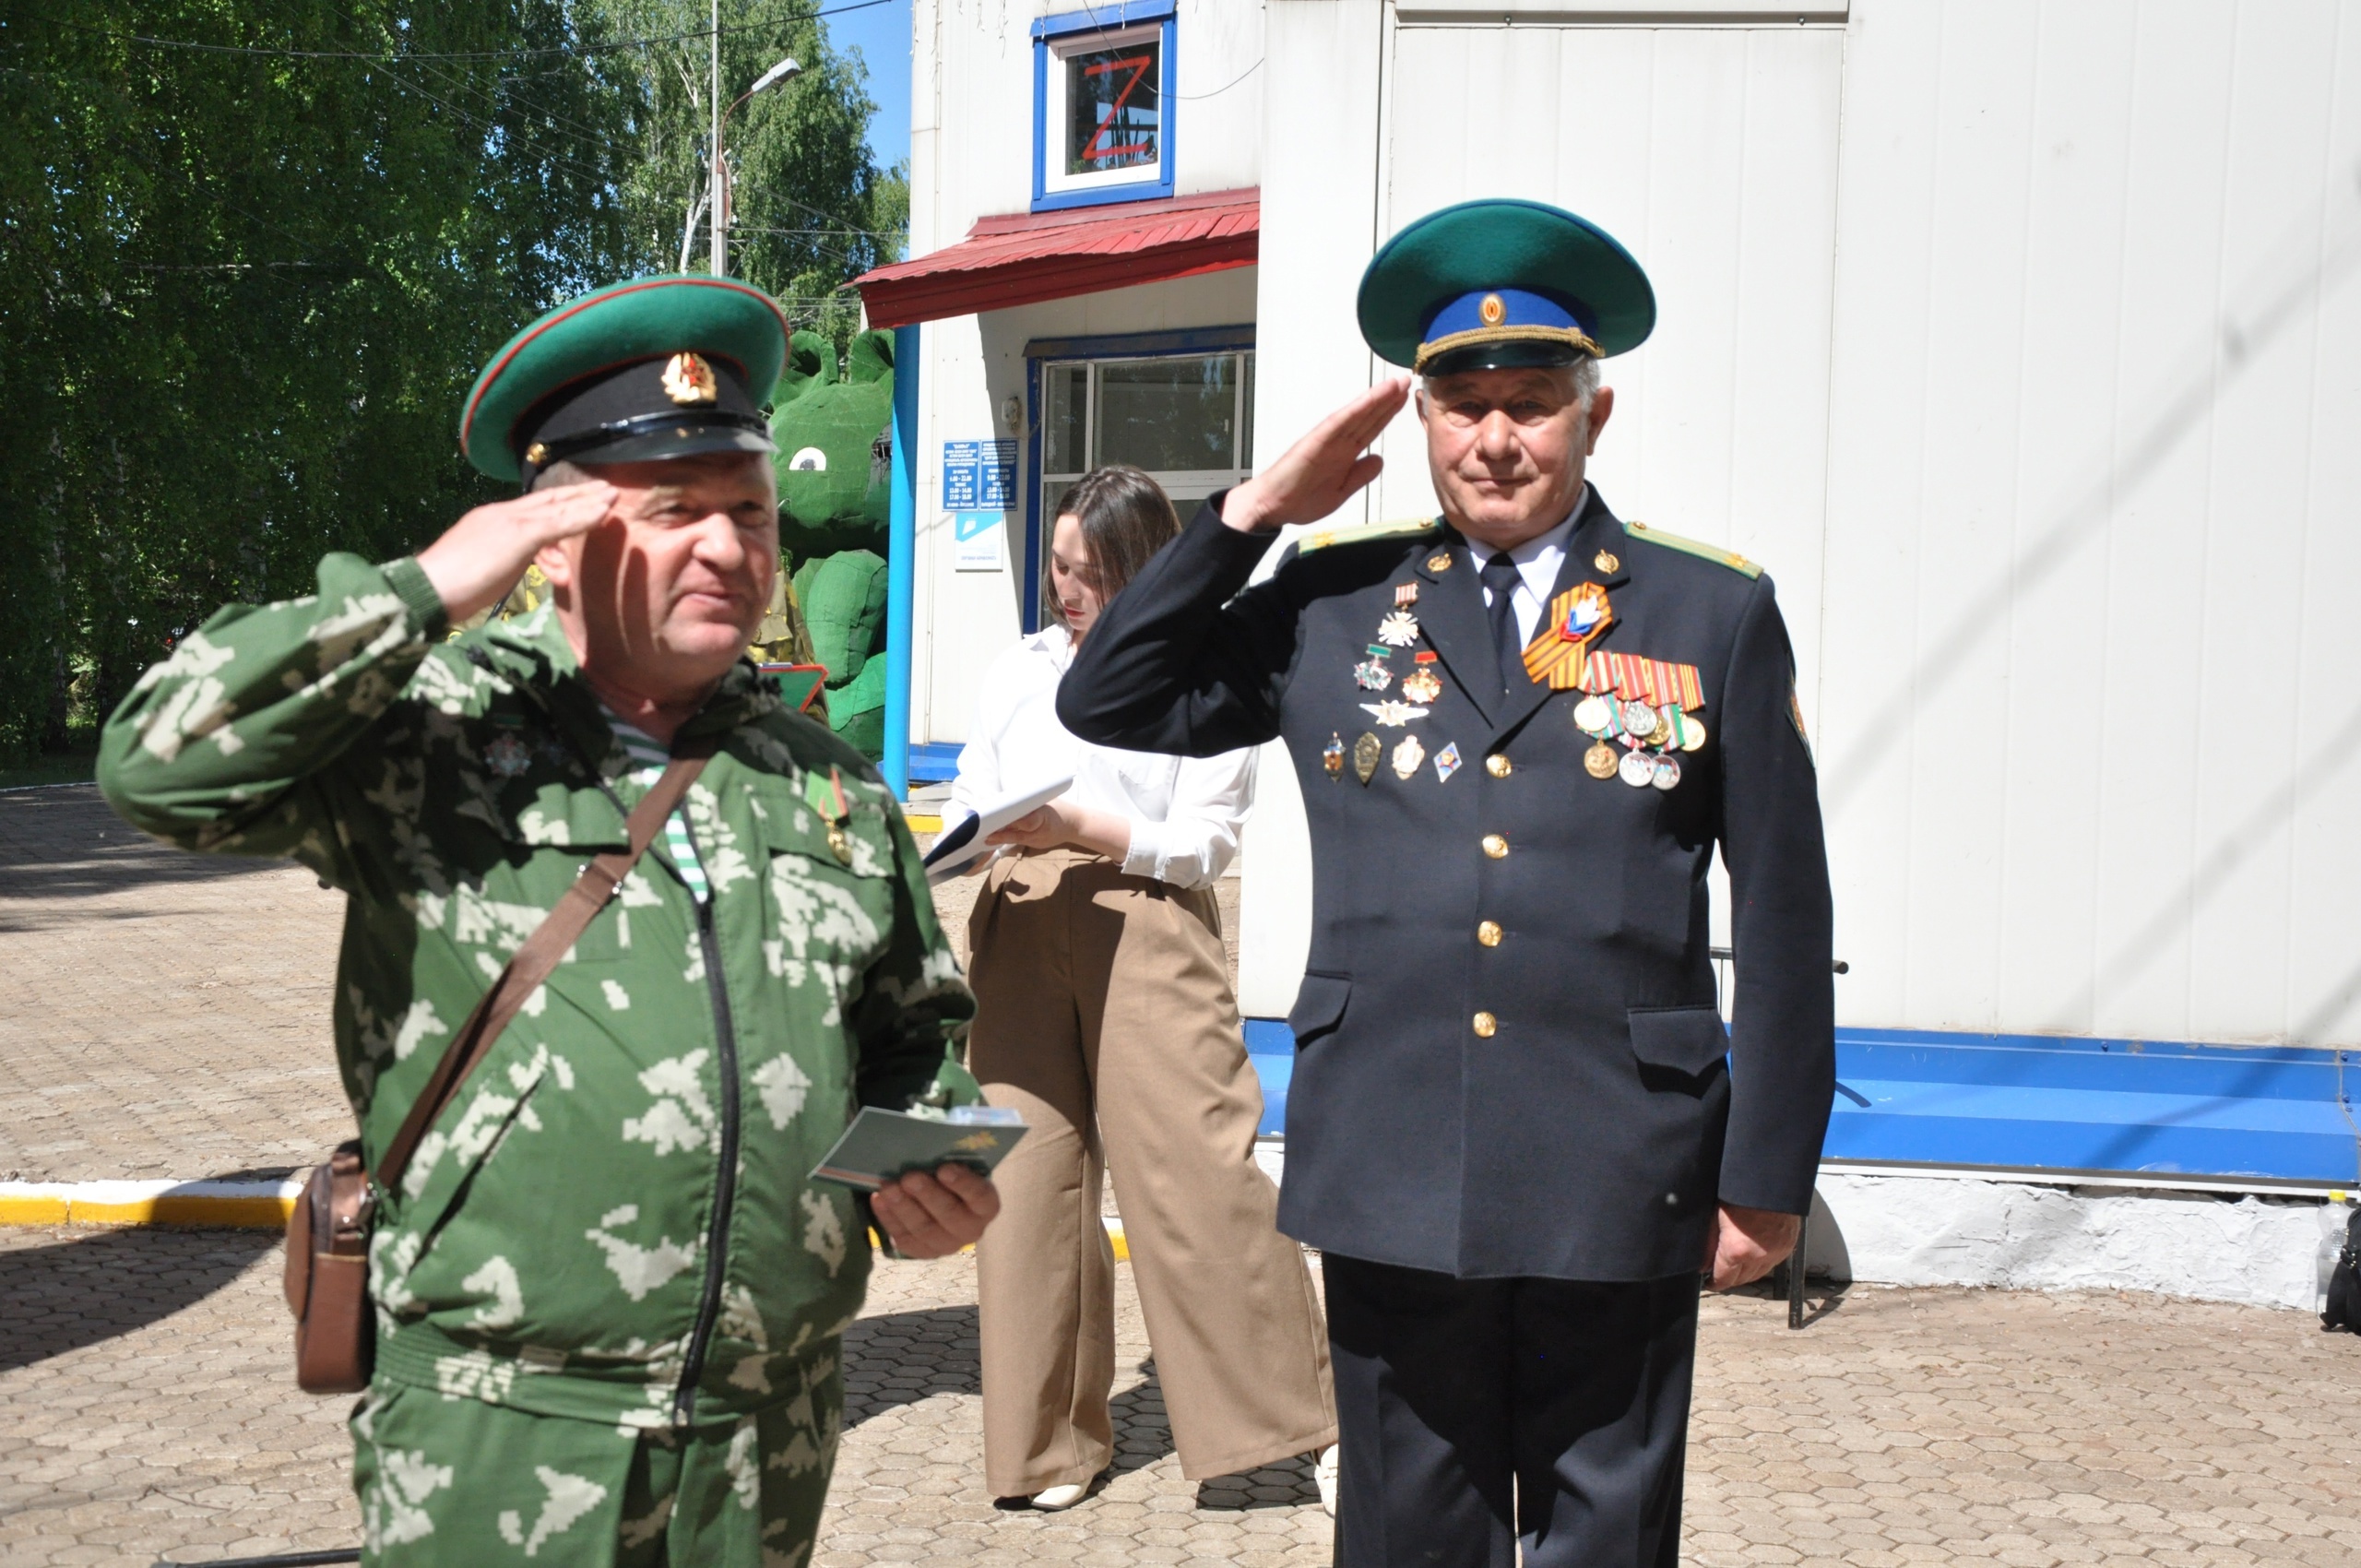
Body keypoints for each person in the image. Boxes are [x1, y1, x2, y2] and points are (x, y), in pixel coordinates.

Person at [96, 275, 1000, 1567]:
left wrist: (931, 1168)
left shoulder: (823, 778)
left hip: (765, 1431)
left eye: (748, 511)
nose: (730, 548)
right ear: (560, 540)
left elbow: (916, 1031)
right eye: (674, 511)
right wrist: (421, 590)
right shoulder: (434, 731)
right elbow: (157, 768)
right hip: (506, 1430)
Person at [1056, 199, 1836, 1567]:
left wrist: (1765, 1174)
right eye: (1459, 404)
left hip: (1623, 1157)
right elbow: (1114, 694)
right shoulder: (1332, 601)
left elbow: (1782, 908)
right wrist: (1250, 514)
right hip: (1397, 1152)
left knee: (1609, 1530)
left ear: (1595, 416)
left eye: (1531, 402)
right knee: (1410, 1529)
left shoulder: (1706, 611)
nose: (1494, 438)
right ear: (1418, 420)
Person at [947, 465, 1338, 1512]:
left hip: (1147, 913)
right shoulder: (1018, 667)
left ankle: (1290, 1424)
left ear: (1141, 570)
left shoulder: (1204, 675)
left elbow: (1205, 841)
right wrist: (980, 831)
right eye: (1059, 568)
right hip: (1019, 912)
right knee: (1026, 1185)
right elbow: (973, 791)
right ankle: (1046, 1448)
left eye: (1089, 571)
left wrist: (1081, 824)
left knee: (1197, 1177)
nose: (1066, 589)